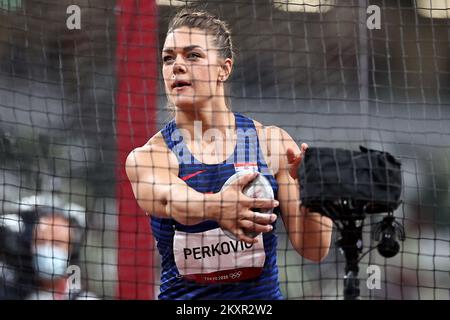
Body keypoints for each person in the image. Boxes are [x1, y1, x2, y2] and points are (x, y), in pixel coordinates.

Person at [126, 8, 333, 299]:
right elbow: (169, 199)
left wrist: (316, 191)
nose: (177, 66)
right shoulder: (150, 156)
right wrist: (217, 208)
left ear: (224, 68)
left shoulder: (271, 143)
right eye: (168, 58)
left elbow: (314, 249)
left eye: (193, 55)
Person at [5, 194, 97, 300]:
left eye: (57, 243)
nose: (48, 249)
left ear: (71, 249)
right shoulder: (10, 293)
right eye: (41, 241)